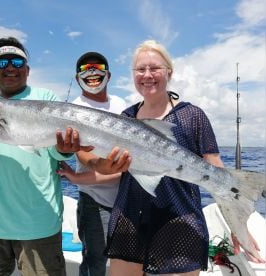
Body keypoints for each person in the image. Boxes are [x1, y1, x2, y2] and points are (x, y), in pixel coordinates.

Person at [85, 40, 264, 276]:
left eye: (154, 68)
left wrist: (236, 220)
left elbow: (215, 167)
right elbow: (117, 169)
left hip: (179, 219)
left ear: (169, 72)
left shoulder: (193, 116)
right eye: (140, 69)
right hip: (129, 218)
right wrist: (80, 173)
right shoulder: (125, 117)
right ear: (133, 75)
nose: (147, 75)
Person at [0, 36, 91, 276]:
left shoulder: (45, 98)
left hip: (39, 226)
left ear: (27, 69)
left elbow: (55, 150)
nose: (10, 67)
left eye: (16, 61)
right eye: (1, 63)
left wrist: (66, 149)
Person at [58, 52, 126, 276]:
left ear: (109, 74)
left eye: (98, 68)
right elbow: (82, 154)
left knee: (126, 259)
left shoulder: (120, 104)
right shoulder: (74, 108)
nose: (92, 72)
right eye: (85, 69)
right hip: (94, 201)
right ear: (78, 79)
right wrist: (100, 164)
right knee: (95, 261)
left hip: (125, 198)